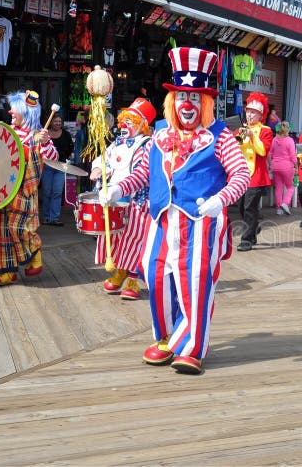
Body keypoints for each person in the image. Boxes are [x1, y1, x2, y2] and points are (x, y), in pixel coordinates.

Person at [103, 47, 250, 374]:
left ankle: (192, 347)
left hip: (200, 223)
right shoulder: (158, 134)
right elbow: (144, 173)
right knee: (154, 275)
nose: (188, 104)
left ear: (206, 103)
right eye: (182, 95)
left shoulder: (220, 135)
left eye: (195, 98)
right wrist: (118, 189)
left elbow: (242, 173)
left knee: (194, 279)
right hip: (161, 219)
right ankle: (166, 337)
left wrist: (221, 199)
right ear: (172, 101)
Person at [0, 90, 57, 286]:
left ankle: (34, 251)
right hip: (1, 188)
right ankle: (5, 272)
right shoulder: (6, 131)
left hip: (23, 189)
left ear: (26, 113)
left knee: (19, 226)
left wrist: (46, 141)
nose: (10, 113)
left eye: (14, 110)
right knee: (1, 230)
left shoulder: (37, 135)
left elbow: (53, 158)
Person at [89, 98, 156, 300]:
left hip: (138, 202)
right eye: (123, 121)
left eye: (131, 121)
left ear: (143, 124)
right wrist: (98, 168)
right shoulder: (117, 144)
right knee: (116, 238)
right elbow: (104, 159)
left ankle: (133, 279)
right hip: (115, 201)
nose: (125, 125)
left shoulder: (148, 145)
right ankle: (120, 272)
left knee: (135, 239)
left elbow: (144, 174)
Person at [236, 92, 274, 252]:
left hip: (256, 175)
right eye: (248, 111)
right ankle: (253, 229)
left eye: (254, 112)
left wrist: (252, 137)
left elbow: (262, 151)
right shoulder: (240, 129)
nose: (250, 114)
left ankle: (246, 239)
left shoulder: (265, 131)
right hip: (240, 174)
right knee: (241, 207)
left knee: (249, 208)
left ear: (260, 115)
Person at [40, 113, 73, 226]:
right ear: (50, 122)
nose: (58, 123)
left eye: (59, 121)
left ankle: (55, 218)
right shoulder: (45, 134)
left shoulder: (66, 135)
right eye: (55, 121)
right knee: (47, 192)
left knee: (57, 193)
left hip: (60, 166)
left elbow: (70, 148)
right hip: (47, 166)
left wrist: (64, 158)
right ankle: (47, 217)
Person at [269, 121, 296, 216]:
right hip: (287, 167)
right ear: (287, 129)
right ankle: (285, 203)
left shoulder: (274, 139)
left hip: (275, 166)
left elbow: (270, 153)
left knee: (279, 187)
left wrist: (270, 165)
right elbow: (293, 156)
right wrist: (296, 166)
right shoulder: (290, 140)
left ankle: (278, 208)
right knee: (290, 187)